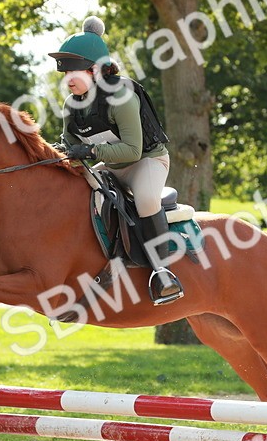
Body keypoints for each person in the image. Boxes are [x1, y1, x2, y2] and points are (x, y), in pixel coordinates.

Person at [49, 17, 183, 305]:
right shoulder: (72, 105)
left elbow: (133, 151)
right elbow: (70, 143)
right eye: (65, 74)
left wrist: (91, 153)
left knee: (147, 199)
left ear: (95, 70)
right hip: (109, 167)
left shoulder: (120, 97)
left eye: (75, 72)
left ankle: (163, 273)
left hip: (145, 163)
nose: (68, 79)